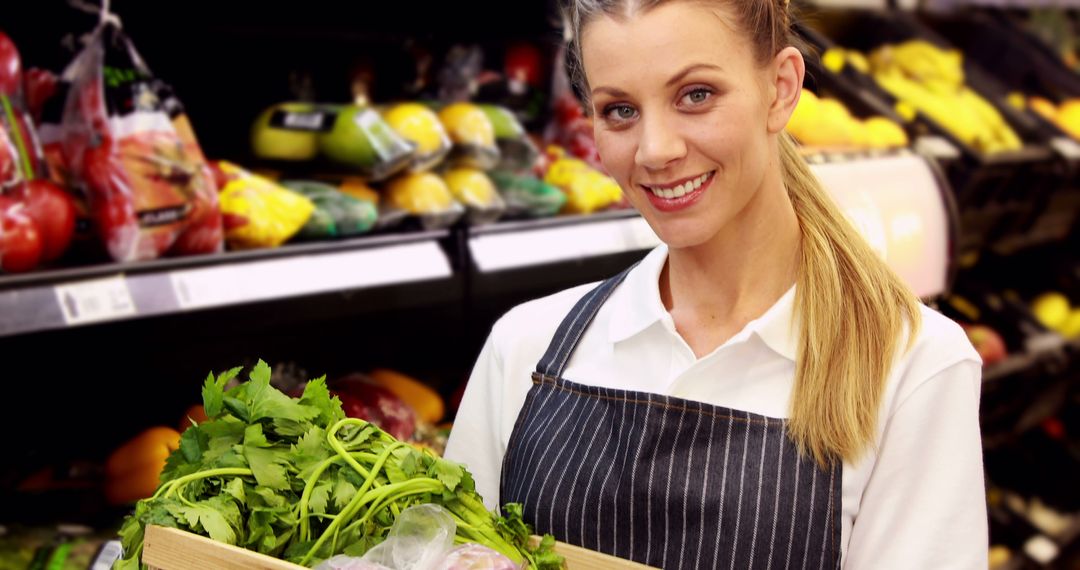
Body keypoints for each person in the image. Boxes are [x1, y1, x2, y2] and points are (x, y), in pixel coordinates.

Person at [444, 0, 987, 568]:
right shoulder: (526, 346)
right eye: (620, 110)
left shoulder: (913, 366)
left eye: (695, 95)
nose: (656, 150)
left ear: (780, 88)